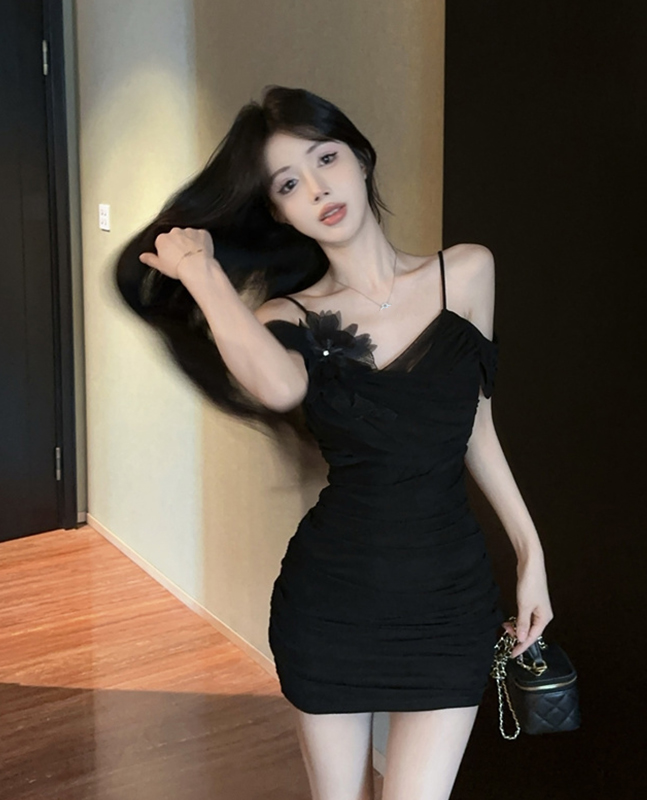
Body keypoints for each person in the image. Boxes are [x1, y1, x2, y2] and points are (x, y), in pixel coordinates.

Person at [119, 85, 552, 800]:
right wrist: (202, 274)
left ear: (361, 157)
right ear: (278, 211)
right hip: (333, 605)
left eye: (325, 158)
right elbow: (279, 387)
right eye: (288, 183)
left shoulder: (468, 272)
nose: (317, 188)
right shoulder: (286, 318)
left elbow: (476, 426)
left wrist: (531, 555)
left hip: (450, 604)